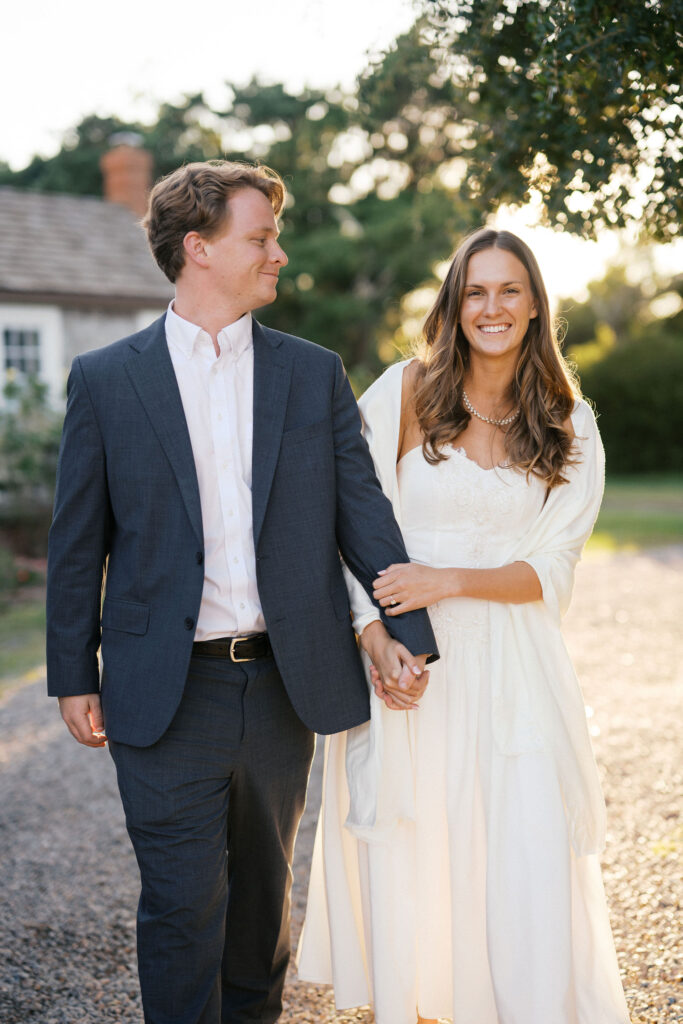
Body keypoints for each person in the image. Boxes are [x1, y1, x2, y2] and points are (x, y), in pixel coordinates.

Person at [45, 160, 437, 1024]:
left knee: (262, 919)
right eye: (260, 238)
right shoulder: (107, 380)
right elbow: (77, 543)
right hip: (163, 690)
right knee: (183, 912)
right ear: (199, 249)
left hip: (280, 687)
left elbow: (360, 512)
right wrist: (73, 672)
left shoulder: (311, 373)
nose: (280, 255)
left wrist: (408, 631)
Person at [298, 228, 631, 1024]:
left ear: (533, 306)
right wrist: (371, 637)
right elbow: (347, 523)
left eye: (508, 290)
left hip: (517, 673)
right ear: (453, 303)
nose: (491, 307)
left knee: (524, 858)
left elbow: (552, 570)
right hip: (415, 674)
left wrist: (443, 580)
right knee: (416, 861)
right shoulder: (405, 393)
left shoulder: (567, 421)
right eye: (475, 291)